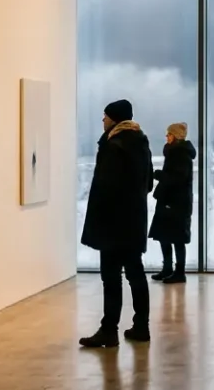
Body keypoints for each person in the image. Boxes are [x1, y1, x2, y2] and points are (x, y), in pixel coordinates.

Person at [79, 100, 155, 347]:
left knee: (111, 278)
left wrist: (100, 222)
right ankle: (141, 326)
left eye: (105, 116)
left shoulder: (114, 146)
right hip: (133, 222)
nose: (102, 120)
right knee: (135, 274)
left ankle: (109, 330)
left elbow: (106, 189)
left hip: (113, 225)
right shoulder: (141, 143)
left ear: (115, 119)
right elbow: (148, 184)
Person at [149, 122, 196, 284]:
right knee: (165, 236)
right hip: (170, 201)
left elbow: (177, 178)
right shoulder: (175, 152)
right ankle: (168, 268)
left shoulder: (180, 154)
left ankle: (179, 272)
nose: (166, 137)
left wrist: (159, 175)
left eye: (169, 134)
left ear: (175, 136)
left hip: (176, 203)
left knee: (176, 238)